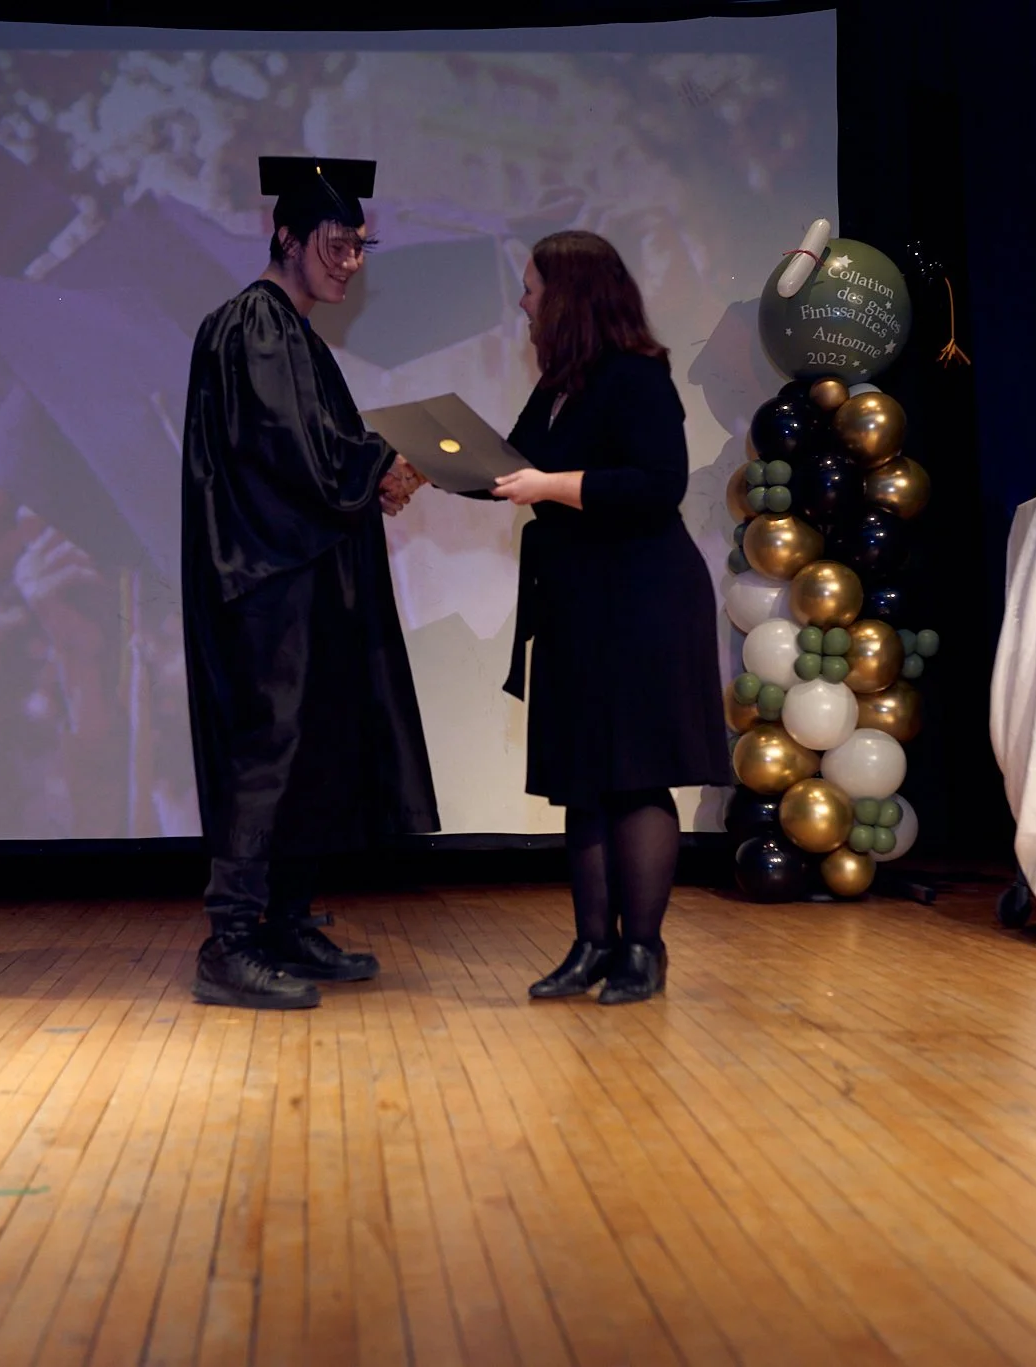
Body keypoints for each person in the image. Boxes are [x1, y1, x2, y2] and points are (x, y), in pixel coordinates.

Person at [179, 156, 439, 1009]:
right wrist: (380, 466)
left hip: (300, 580)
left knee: (313, 748)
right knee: (266, 752)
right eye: (336, 243)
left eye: (361, 247)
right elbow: (292, 453)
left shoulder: (293, 331)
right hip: (262, 587)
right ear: (285, 236)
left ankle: (287, 922)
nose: (350, 262)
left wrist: (377, 472)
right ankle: (233, 940)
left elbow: (324, 458)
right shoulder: (253, 323)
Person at [483, 230, 732, 1003]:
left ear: (570, 296)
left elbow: (656, 485)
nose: (522, 303)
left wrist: (550, 487)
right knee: (582, 780)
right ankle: (591, 944)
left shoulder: (635, 376)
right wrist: (429, 459)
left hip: (642, 598)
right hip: (578, 599)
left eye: (530, 288)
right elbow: (509, 469)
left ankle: (642, 950)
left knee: (635, 776)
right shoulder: (561, 383)